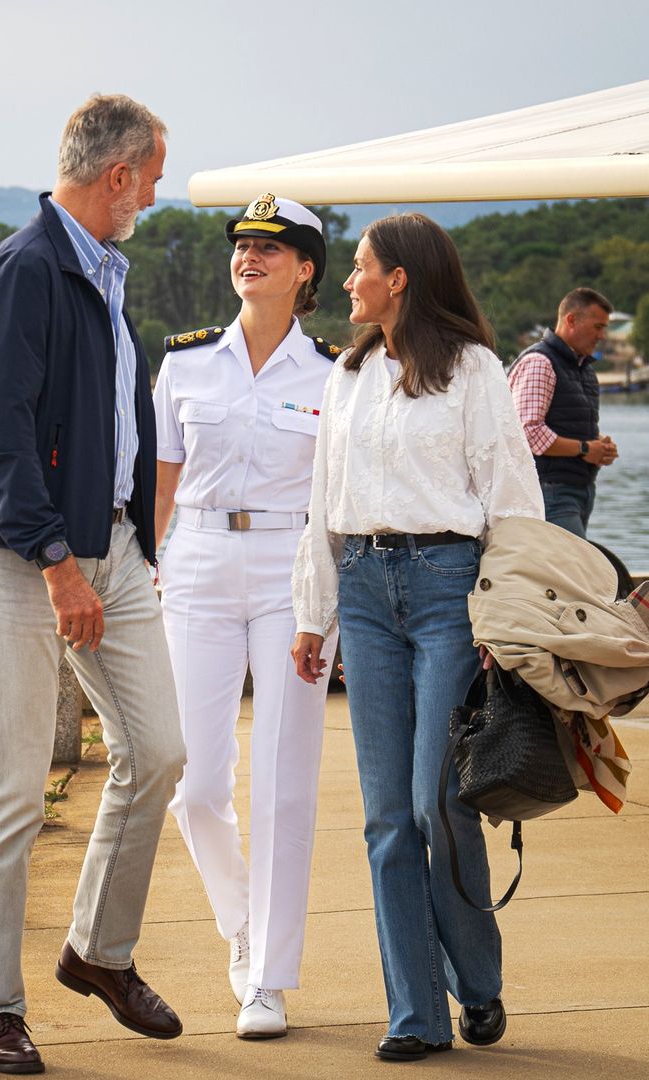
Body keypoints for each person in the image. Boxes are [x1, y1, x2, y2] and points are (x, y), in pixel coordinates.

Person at [0, 93, 187, 1075]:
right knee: (10, 786)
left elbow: (119, 420)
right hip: (17, 553)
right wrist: (54, 565)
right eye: (155, 177)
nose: (156, 196)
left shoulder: (103, 273)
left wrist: (135, 544)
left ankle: (98, 951)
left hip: (114, 548)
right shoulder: (24, 270)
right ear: (118, 174)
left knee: (159, 751)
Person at [290, 213, 545, 1062]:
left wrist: (506, 620)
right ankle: (414, 1012)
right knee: (386, 818)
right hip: (363, 591)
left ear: (400, 279)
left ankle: (476, 982)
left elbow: (513, 503)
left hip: (447, 593)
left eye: (360, 267)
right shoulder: (348, 375)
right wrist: (310, 615)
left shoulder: (474, 370)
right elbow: (325, 502)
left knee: (441, 803)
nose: (349, 280)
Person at [153, 195, 339, 1040]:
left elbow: (336, 501)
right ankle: (240, 924)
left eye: (272, 246)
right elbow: (159, 488)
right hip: (194, 564)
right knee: (190, 784)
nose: (250, 255)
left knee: (284, 775)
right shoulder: (186, 364)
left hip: (290, 567)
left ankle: (267, 976)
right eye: (242, 244)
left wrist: (327, 597)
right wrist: (144, 572)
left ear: (305, 270)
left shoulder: (336, 374)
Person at [508, 287, 619, 538]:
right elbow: (528, 433)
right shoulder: (540, 362)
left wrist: (599, 445)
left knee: (569, 573)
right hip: (548, 491)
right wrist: (586, 449)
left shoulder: (585, 370)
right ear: (571, 320)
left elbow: (566, 424)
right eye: (597, 326)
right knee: (575, 573)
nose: (602, 335)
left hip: (576, 490)